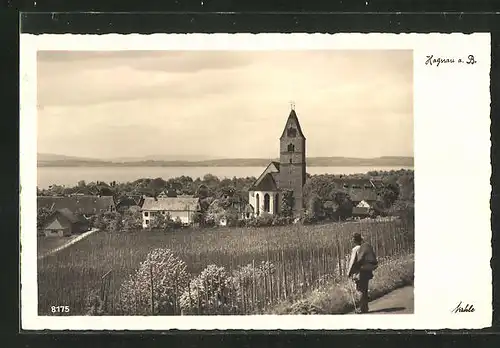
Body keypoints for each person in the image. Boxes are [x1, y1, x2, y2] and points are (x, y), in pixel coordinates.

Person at [347, 232, 378, 314]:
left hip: (359, 272)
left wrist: (349, 272)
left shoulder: (355, 249)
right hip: (367, 271)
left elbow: (353, 261)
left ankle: (361, 309)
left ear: (354, 240)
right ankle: (365, 308)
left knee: (359, 289)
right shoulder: (365, 247)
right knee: (364, 290)